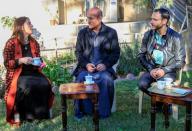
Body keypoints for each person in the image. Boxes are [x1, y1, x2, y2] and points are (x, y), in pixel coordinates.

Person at [3, 17, 54, 125]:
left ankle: (41, 114)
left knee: (45, 83)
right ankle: (25, 117)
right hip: (17, 74)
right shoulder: (11, 43)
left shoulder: (33, 42)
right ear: (21, 27)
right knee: (27, 85)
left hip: (34, 72)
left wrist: (40, 63)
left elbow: (38, 58)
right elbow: (7, 64)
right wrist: (21, 60)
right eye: (29, 23)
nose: (32, 25)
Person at [73, 7, 120, 119]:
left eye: (91, 18)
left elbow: (115, 53)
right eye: (87, 18)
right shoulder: (82, 33)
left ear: (99, 18)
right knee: (80, 79)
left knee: (106, 80)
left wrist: (106, 64)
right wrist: (86, 64)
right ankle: (82, 111)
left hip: (103, 70)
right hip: (86, 69)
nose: (88, 21)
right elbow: (78, 52)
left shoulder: (111, 32)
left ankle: (103, 113)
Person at [138, 8, 186, 97]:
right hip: (152, 69)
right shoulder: (148, 35)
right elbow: (141, 55)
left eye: (155, 20)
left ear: (164, 21)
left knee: (163, 86)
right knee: (142, 84)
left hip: (168, 71)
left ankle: (159, 103)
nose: (151, 22)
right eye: (151, 19)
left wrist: (164, 70)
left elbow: (181, 61)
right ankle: (160, 102)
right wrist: (150, 68)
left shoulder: (176, 37)